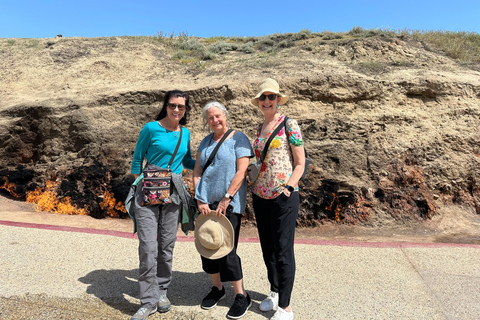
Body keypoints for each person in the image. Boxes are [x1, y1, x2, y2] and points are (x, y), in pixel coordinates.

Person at [129, 90, 196, 320]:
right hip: (147, 193)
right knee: (148, 247)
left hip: (173, 193)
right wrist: (139, 183)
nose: (176, 110)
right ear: (165, 106)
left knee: (166, 246)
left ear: (186, 110)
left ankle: (161, 291)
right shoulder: (151, 128)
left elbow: (186, 160)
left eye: (181, 106)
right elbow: (138, 158)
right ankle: (148, 301)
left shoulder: (185, 133)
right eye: (172, 105)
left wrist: (206, 162)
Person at [250, 78, 306, 320]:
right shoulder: (259, 128)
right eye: (263, 97)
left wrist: (289, 189)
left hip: (283, 196)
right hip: (260, 196)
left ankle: (285, 306)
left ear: (278, 100)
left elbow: (300, 162)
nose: (266, 101)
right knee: (268, 249)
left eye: (271, 96)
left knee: (283, 250)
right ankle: (274, 291)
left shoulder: (289, 124)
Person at [193, 101, 254, 319]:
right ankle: (217, 289)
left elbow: (241, 170)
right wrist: (199, 198)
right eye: (210, 118)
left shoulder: (239, 138)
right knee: (208, 244)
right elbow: (198, 170)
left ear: (225, 115)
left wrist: (227, 198)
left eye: (218, 116)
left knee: (227, 250)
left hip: (229, 204)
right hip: (206, 205)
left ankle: (241, 295)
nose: (215, 120)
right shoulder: (205, 141)